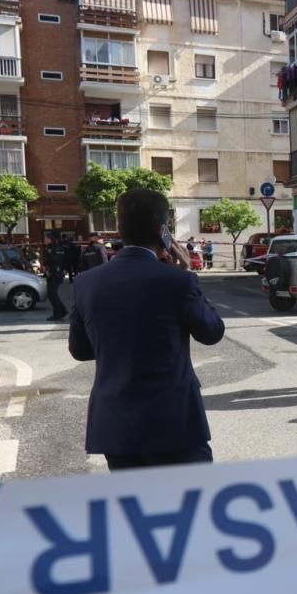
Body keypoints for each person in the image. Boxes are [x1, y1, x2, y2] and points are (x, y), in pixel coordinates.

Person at [68, 189, 225, 471]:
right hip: (173, 424)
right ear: (163, 230)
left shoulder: (85, 282)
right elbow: (211, 332)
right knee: (190, 509)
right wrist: (187, 276)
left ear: (119, 227)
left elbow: (80, 350)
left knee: (136, 511)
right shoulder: (178, 282)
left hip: (115, 425)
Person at [43, 231, 68, 321]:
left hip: (55, 274)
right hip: (53, 273)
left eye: (45, 238)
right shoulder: (50, 247)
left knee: (52, 294)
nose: (44, 240)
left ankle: (58, 314)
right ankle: (62, 310)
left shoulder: (55, 248)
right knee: (52, 294)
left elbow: (56, 262)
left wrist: (50, 270)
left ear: (50, 239)